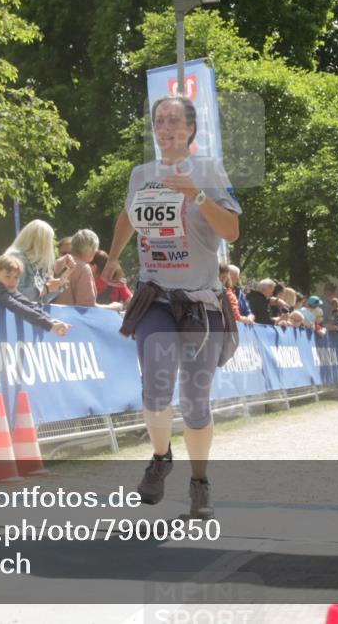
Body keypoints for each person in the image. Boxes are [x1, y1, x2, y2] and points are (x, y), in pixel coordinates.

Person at [100, 95, 240, 520]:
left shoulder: (209, 170)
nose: (166, 128)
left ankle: (200, 482)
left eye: (175, 120)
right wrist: (112, 257)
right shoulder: (141, 174)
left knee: (196, 400)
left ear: (191, 129)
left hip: (201, 303)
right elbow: (127, 216)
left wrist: (197, 196)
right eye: (159, 121)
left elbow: (231, 231)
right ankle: (161, 457)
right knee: (156, 388)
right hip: (155, 296)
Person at [0, 253, 71, 335]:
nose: (12, 281)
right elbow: (17, 307)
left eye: (16, 277)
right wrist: (50, 326)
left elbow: (28, 304)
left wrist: (51, 320)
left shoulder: (9, 288)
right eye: (7, 276)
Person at [5, 219, 75, 304]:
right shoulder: (15, 259)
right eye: (49, 240)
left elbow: (42, 299)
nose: (51, 245)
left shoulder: (35, 261)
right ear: (40, 242)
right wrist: (46, 288)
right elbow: (13, 295)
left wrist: (61, 279)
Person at [55, 229, 122, 310]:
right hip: (69, 316)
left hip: (51, 314)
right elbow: (87, 306)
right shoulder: (84, 268)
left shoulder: (58, 262)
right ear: (91, 249)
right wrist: (113, 307)